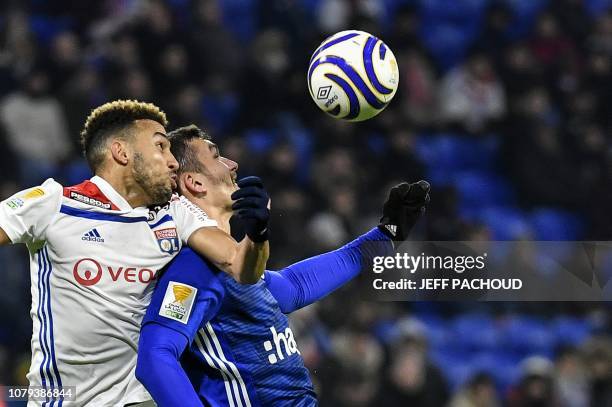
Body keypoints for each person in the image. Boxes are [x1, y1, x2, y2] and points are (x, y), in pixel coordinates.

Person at [136, 124, 430, 406]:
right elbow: (155, 356)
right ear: (194, 183)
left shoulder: (230, 263)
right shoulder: (193, 265)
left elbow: (296, 286)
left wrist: (386, 234)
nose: (232, 163)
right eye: (216, 156)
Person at [0, 101, 269, 406]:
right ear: (122, 153)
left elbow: (241, 267)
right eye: (160, 147)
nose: (173, 162)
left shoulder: (175, 213)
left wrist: (257, 234)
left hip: (139, 398)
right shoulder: (55, 203)